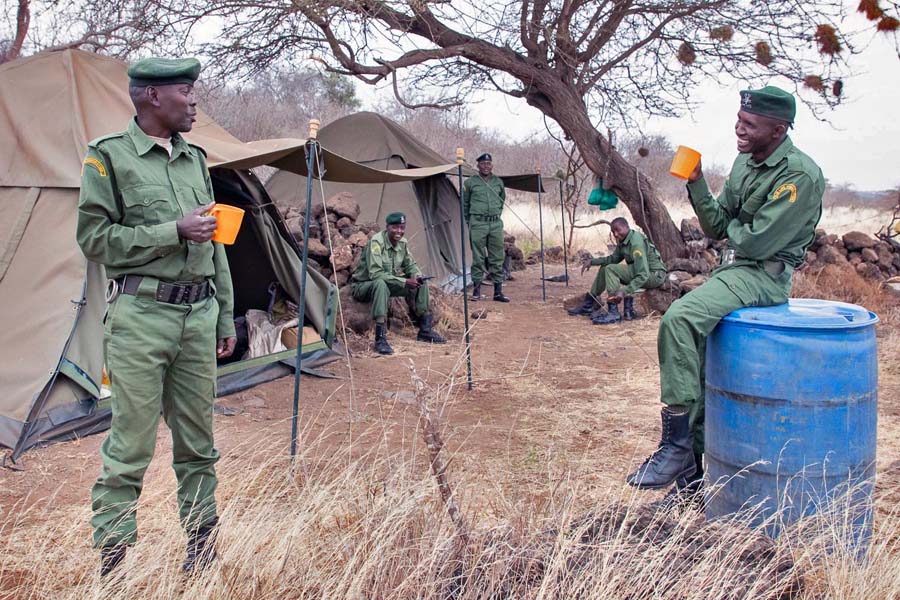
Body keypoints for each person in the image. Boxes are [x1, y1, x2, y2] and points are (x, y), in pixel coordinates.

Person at [76, 57, 236, 576]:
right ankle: (115, 564)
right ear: (151, 97)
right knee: (131, 445)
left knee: (198, 442)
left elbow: (218, 247)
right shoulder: (109, 157)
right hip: (140, 317)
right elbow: (94, 240)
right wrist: (172, 231)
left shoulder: (195, 159)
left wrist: (226, 317)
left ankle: (202, 550)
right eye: (186, 92)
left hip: (199, 315)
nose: (193, 102)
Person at [626, 86, 824, 504]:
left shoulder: (799, 175)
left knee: (678, 319)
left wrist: (735, 235)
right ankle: (691, 479)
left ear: (778, 128)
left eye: (750, 124)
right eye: (739, 118)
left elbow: (756, 243)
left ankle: (674, 446)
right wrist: (696, 183)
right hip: (732, 269)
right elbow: (718, 226)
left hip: (762, 276)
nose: (739, 127)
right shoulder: (744, 163)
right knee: (696, 364)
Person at [351, 212, 447, 355]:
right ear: (387, 227)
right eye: (395, 227)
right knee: (380, 283)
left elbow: (410, 265)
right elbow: (376, 274)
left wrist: (416, 275)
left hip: (387, 285)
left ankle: (425, 330)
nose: (399, 231)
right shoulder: (377, 243)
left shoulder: (402, 243)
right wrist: (405, 281)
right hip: (364, 286)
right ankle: (380, 338)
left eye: (402, 228)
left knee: (421, 282)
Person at [569, 217, 666, 324]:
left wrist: (624, 291)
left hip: (654, 275)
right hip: (644, 272)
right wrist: (592, 261)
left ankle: (613, 313)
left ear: (627, 227)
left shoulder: (636, 243)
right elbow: (613, 259)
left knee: (611, 269)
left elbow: (643, 274)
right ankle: (589, 303)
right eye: (613, 231)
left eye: (618, 230)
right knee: (606, 266)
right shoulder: (623, 240)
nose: (615, 234)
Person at [463, 153, 510, 302]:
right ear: (478, 165)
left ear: (492, 165)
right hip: (478, 223)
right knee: (478, 257)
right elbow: (465, 203)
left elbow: (502, 200)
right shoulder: (470, 182)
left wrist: (495, 215)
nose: (486, 166)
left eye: (488, 163)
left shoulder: (498, 182)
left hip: (495, 223)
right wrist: (469, 221)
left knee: (497, 256)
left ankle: (498, 292)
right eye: (483, 164)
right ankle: (476, 291)